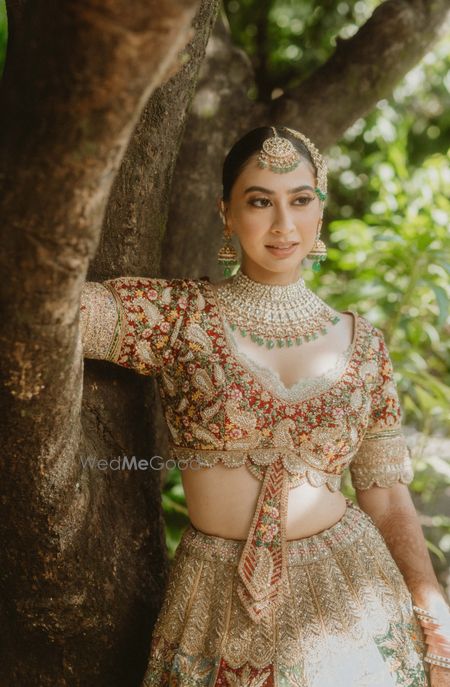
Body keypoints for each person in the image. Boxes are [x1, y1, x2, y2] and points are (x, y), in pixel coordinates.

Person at [80, 126, 450, 686]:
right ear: (226, 212)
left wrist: (433, 613)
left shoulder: (364, 345)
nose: (284, 225)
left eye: (301, 200)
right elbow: (51, 312)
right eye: (260, 202)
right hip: (215, 600)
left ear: (320, 213)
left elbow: (387, 493)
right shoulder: (179, 318)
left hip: (352, 599)